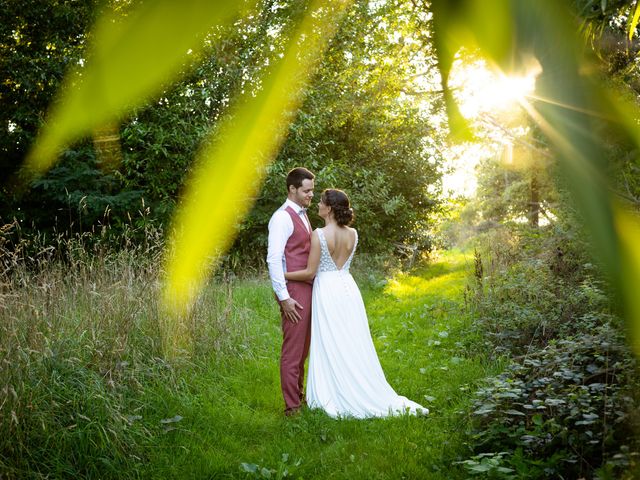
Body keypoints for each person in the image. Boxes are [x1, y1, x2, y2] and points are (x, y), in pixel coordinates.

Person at [284, 189, 428, 419]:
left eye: (320, 202)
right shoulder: (353, 233)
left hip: (328, 291)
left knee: (331, 341)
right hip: (349, 289)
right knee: (351, 340)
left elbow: (310, 272)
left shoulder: (319, 234)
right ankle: (356, 384)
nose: (317, 205)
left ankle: (335, 391)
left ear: (329, 208)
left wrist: (284, 274)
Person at [266, 167, 315, 416]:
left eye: (312, 190)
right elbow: (273, 259)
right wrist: (284, 298)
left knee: (303, 349)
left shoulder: (302, 214)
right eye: (306, 190)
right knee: (293, 351)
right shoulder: (282, 217)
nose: (311, 195)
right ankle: (291, 407)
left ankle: (299, 396)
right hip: (293, 290)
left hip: (305, 286)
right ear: (292, 189)